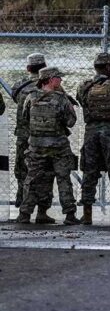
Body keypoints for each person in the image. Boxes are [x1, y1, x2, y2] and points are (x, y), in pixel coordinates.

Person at [17, 67, 80, 225]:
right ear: (51, 79)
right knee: (63, 178)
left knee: (33, 179)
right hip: (58, 146)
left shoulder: (31, 97)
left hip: (36, 146)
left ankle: (25, 214)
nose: (61, 80)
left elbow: (25, 119)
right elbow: (71, 122)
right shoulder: (61, 98)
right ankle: (70, 215)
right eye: (58, 77)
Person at [75, 52, 110, 225]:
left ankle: (87, 214)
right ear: (107, 67)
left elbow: (82, 103)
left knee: (89, 172)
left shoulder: (83, 86)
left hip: (90, 132)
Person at [11, 53, 51, 214]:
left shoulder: (20, 85)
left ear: (28, 68)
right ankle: (42, 211)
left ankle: (22, 206)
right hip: (43, 135)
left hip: (23, 134)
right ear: (45, 66)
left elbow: (15, 99)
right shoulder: (48, 85)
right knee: (45, 172)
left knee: (22, 170)